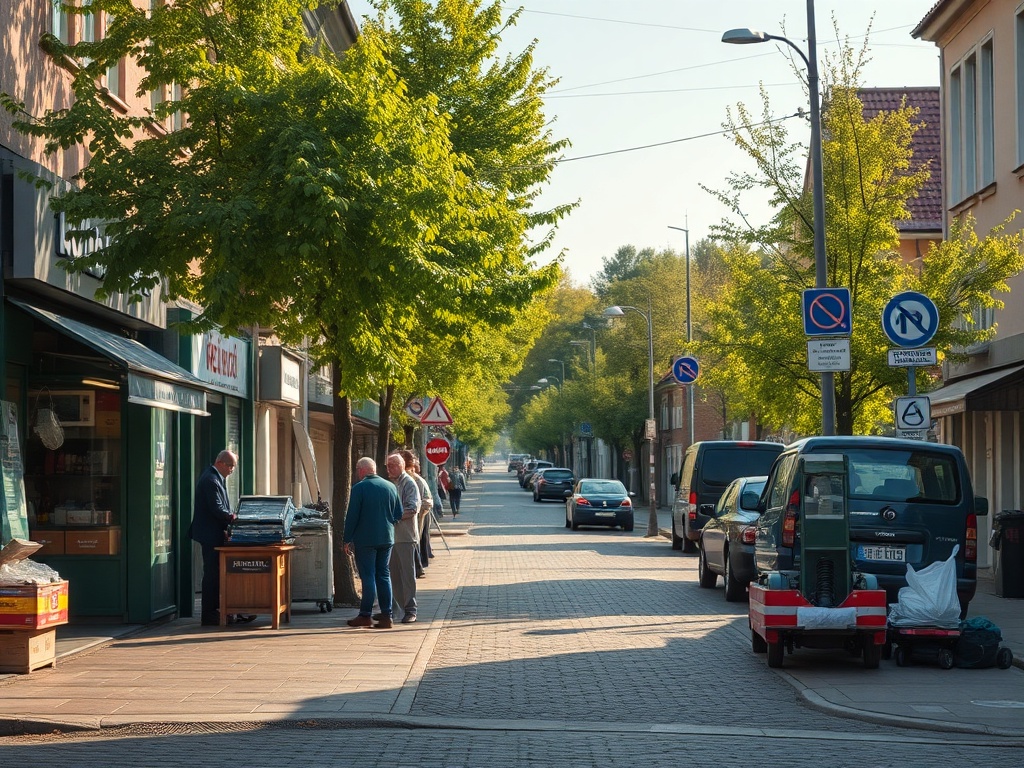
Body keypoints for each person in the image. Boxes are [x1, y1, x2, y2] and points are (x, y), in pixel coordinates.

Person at [189, 450, 255, 626]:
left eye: (233, 466)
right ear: (220, 463)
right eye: (230, 466)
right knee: (211, 574)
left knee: (218, 573)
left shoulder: (215, 478)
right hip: (210, 535)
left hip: (215, 533)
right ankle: (210, 614)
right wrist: (231, 517)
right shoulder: (211, 479)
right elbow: (217, 508)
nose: (232, 470)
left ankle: (225, 610)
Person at [342, 457, 402, 629]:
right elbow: (399, 513)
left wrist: (347, 539)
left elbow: (352, 516)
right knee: (383, 575)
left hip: (366, 540)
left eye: (356, 470)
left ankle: (365, 615)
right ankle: (386, 615)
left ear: (361, 470)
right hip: (387, 538)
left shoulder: (359, 488)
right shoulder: (391, 486)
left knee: (368, 576)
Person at [386, 452, 421, 623]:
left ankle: (410, 610)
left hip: (405, 537)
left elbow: (412, 508)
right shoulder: (390, 483)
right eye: (387, 465)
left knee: (407, 575)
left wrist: (393, 517)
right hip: (391, 537)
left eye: (392, 465)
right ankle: (398, 609)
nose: (388, 469)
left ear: (401, 465)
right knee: (393, 576)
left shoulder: (409, 483)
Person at [400, 450, 433, 578]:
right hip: (418, 514)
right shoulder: (414, 478)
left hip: (413, 516)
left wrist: (418, 512)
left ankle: (417, 568)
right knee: (416, 541)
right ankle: (418, 567)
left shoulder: (411, 480)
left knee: (413, 541)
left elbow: (418, 501)